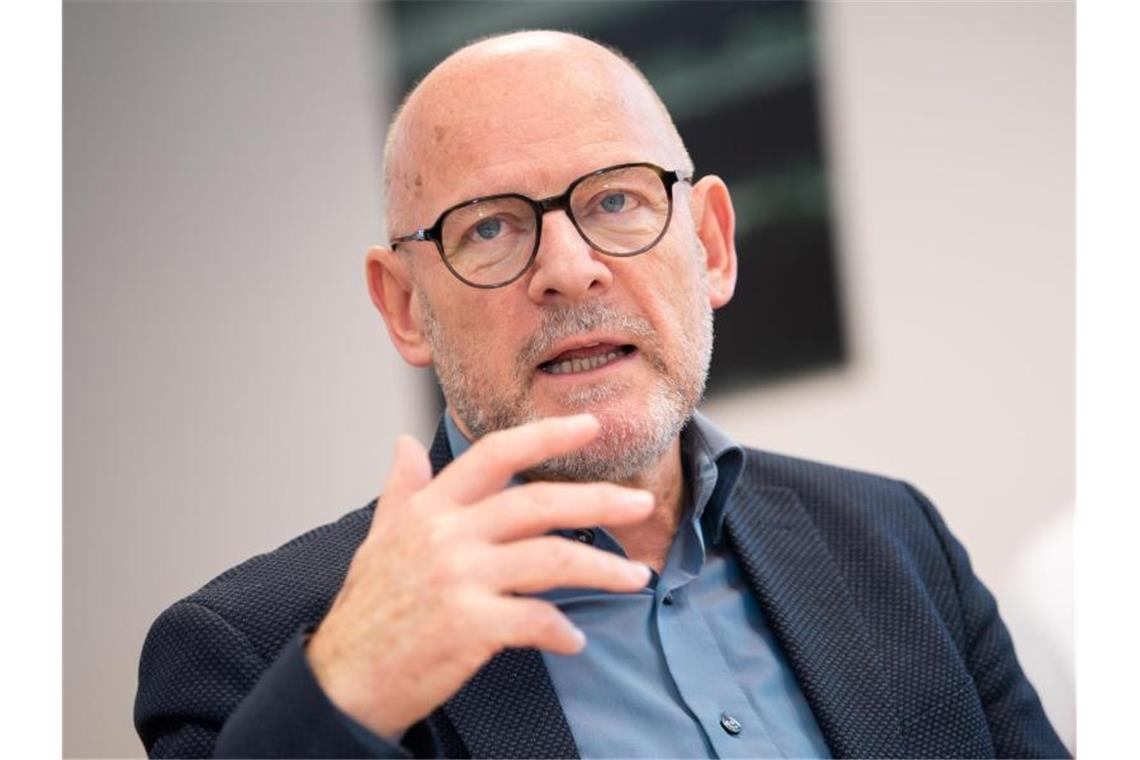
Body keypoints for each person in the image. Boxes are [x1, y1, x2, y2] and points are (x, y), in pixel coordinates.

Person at [134, 30, 1068, 759]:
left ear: (711, 244)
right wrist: (344, 696)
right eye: (491, 227)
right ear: (406, 307)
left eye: (617, 200)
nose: (570, 271)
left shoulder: (894, 541)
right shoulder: (251, 654)